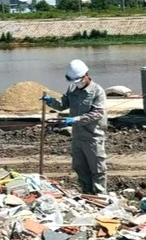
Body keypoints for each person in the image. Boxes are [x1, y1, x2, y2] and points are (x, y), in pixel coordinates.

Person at [41, 59, 108, 195]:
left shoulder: (97, 92)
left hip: (92, 137)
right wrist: (51, 101)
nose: (76, 84)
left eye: (78, 81)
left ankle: (101, 196)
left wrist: (74, 120)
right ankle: (87, 194)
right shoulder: (72, 88)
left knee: (97, 169)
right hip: (77, 137)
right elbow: (63, 104)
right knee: (80, 168)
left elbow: (97, 113)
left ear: (86, 75)